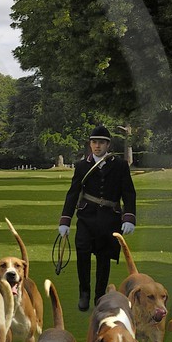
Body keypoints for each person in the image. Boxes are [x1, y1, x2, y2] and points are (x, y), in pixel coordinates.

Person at [58, 125, 137, 312]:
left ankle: (99, 295)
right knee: (82, 252)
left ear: (108, 144)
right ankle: (84, 292)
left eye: (101, 142)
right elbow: (73, 193)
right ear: (90, 144)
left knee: (104, 258)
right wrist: (65, 220)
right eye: (94, 142)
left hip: (110, 219)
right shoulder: (82, 166)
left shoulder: (120, 165)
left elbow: (128, 192)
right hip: (86, 217)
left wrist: (129, 218)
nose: (97, 146)